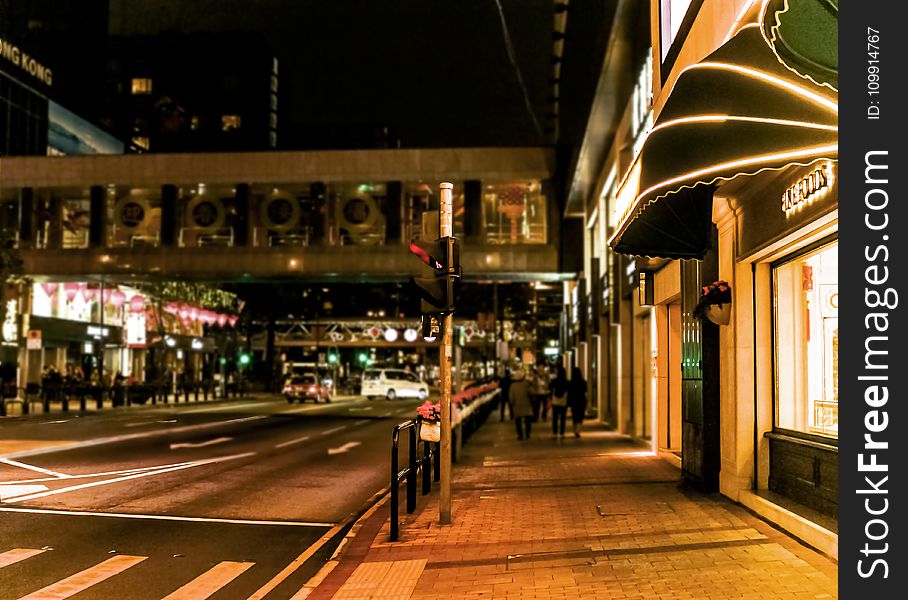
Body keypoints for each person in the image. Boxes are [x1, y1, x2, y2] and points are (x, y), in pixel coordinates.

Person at [508, 367, 533, 440]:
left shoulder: (513, 386)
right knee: (528, 421)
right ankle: (527, 434)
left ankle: (520, 435)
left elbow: (511, 397)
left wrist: (512, 404)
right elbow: (531, 392)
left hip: (517, 406)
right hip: (526, 405)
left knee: (518, 422)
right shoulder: (526, 384)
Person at [549, 366, 569, 438]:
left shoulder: (554, 381)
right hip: (563, 401)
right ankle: (562, 433)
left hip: (555, 401)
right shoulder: (566, 382)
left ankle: (554, 432)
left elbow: (550, 388)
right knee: (563, 418)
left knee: (555, 417)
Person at [568, 366, 588, 437]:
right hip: (581, 400)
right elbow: (585, 391)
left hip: (574, 401)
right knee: (580, 416)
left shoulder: (571, 383)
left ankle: (575, 430)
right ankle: (578, 430)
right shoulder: (583, 382)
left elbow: (569, 393)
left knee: (575, 416)